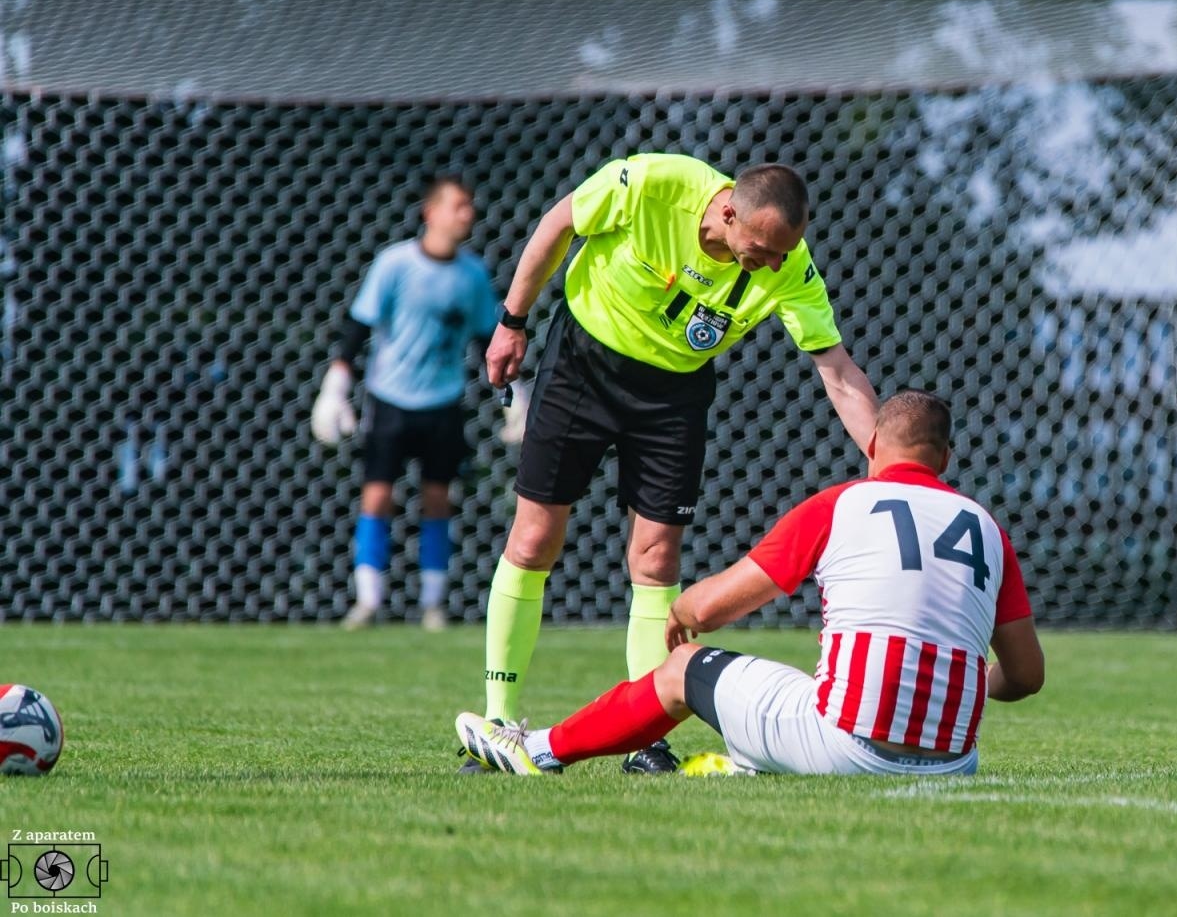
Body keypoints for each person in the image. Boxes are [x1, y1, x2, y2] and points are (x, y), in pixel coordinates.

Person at [474, 153, 879, 773]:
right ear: (728, 213)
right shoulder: (653, 185)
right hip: (583, 364)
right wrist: (513, 321)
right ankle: (497, 724)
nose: (775, 264)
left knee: (657, 557)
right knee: (533, 540)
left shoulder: (789, 265)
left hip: (674, 394)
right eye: (764, 249)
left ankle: (646, 739)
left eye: (783, 253)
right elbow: (559, 223)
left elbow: (839, 372)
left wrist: (890, 465)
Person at [455, 391, 1044, 776]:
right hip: (953, 762)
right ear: (945, 458)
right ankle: (745, 765)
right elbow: (1026, 676)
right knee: (805, 688)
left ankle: (535, 751)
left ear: (872, 446)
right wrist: (944, 680)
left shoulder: (840, 504)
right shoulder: (987, 529)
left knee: (685, 670)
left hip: (846, 746)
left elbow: (710, 610)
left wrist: (682, 609)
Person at [311, 177, 500, 631]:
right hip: (391, 400)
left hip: (443, 402)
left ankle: (433, 604)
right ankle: (367, 601)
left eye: (469, 206)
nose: (467, 214)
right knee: (377, 496)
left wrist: (514, 397)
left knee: (438, 498)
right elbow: (358, 326)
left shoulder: (473, 275)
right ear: (430, 213)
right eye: (457, 205)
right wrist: (336, 385)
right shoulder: (394, 264)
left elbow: (488, 340)